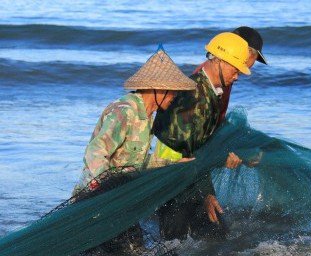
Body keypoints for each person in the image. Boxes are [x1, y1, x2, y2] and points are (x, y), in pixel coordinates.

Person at [74, 47, 196, 253]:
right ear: (157, 88)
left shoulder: (147, 116)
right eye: (173, 90)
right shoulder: (125, 112)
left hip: (120, 201)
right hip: (97, 202)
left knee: (135, 248)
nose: (175, 96)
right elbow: (95, 152)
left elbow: (137, 162)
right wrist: (106, 188)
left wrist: (172, 164)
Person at [152, 28, 266, 240]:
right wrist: (206, 193)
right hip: (172, 176)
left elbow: (203, 142)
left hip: (188, 174)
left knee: (210, 237)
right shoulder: (195, 96)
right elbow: (188, 151)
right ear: (220, 61)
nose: (238, 76)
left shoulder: (212, 90)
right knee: (175, 241)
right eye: (236, 70)